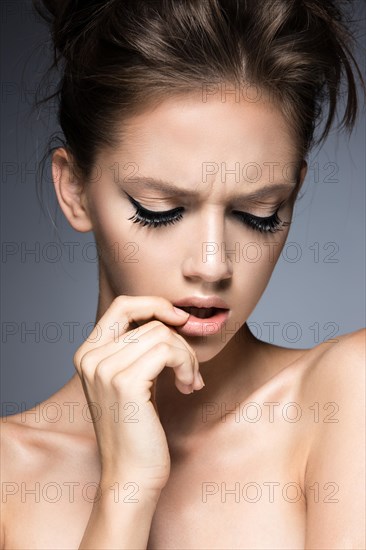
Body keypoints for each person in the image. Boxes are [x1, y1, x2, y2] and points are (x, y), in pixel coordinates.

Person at [1, 0, 365, 548]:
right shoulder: (9, 476)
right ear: (74, 189)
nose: (213, 265)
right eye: (159, 210)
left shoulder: (348, 396)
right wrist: (125, 492)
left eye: (259, 214)